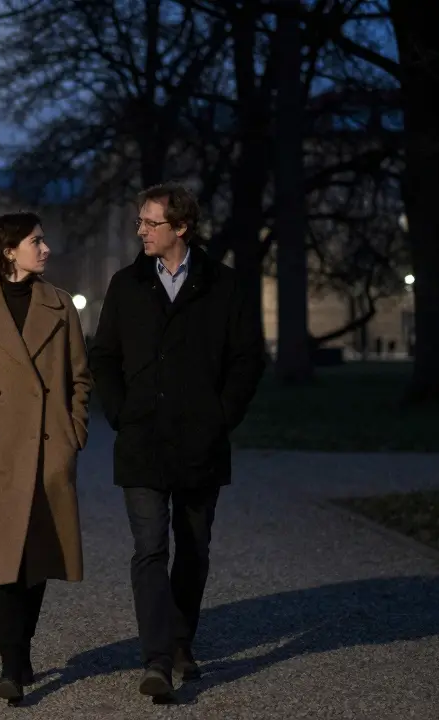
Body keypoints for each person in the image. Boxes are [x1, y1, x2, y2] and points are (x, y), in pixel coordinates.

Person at [89, 183, 267, 699]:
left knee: (194, 549)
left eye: (151, 223)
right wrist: (120, 411)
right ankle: (157, 658)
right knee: (149, 549)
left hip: (200, 441)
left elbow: (247, 359)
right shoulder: (126, 285)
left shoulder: (224, 285)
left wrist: (221, 416)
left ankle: (182, 640)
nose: (141, 230)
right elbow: (103, 356)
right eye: (140, 222)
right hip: (142, 439)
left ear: (181, 227)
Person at [0, 211, 93, 705]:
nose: (45, 249)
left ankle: (21, 650)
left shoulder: (61, 306)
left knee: (37, 560)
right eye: (36, 241)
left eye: (43, 240)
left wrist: (74, 433)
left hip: (47, 451)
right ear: (9, 250)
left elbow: (79, 380)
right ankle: (10, 663)